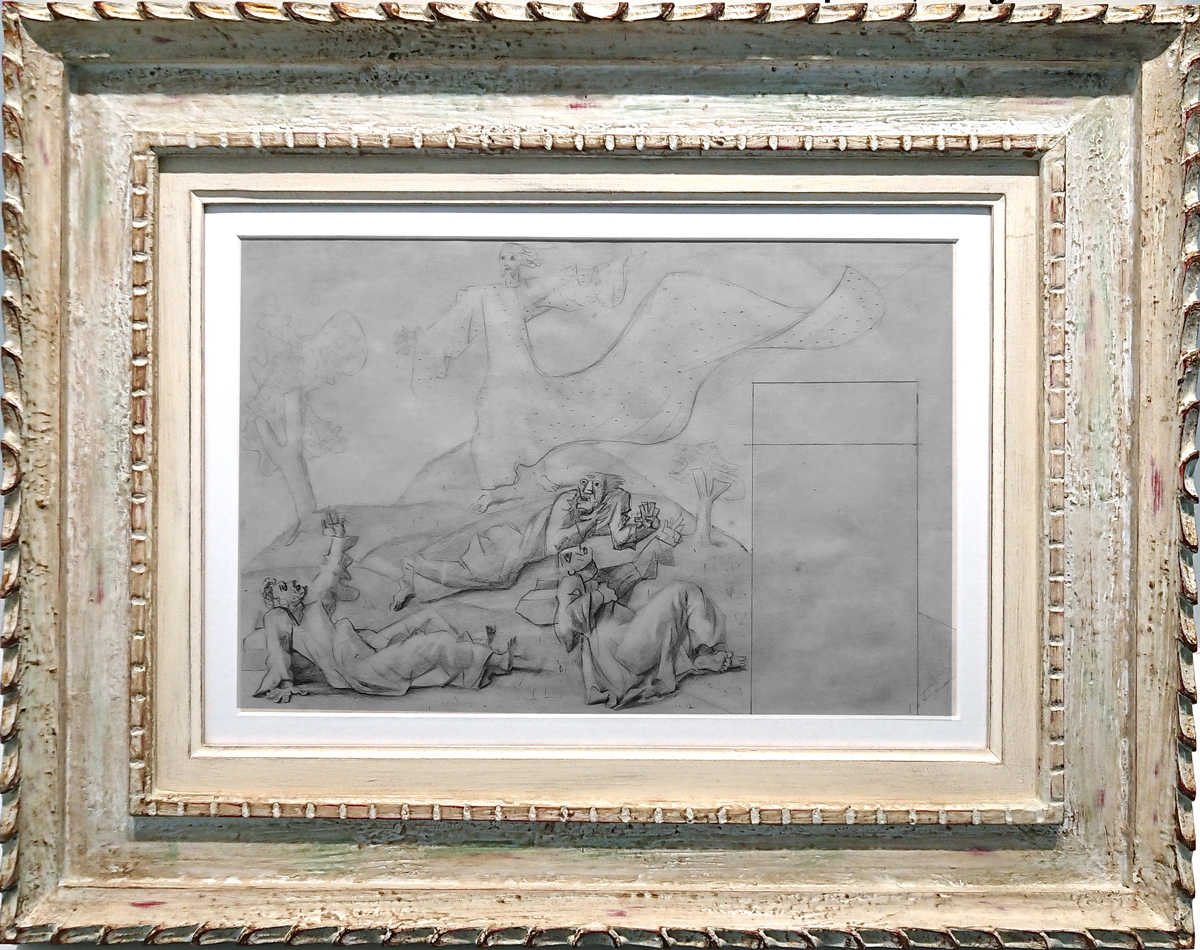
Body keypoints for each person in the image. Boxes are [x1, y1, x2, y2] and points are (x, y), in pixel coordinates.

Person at [409, 243, 885, 512]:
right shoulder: (480, 295)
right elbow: (452, 331)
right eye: (504, 259)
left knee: (534, 408)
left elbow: (584, 296)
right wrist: (428, 352)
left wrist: (609, 274)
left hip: (527, 379)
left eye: (516, 258)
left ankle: (503, 484)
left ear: (526, 263)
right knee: (495, 410)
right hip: (505, 378)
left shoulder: (529, 293)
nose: (509, 265)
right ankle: (496, 486)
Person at [253, 513, 517, 702]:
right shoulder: (279, 618)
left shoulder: (313, 603)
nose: (294, 585)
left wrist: (338, 538)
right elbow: (278, 651)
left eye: (290, 583)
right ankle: (495, 661)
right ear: (278, 601)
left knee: (428, 618)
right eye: (285, 587)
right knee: (432, 643)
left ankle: (472, 661)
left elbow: (330, 571)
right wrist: (285, 683)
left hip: (368, 649)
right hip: (360, 671)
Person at [388, 472, 682, 611]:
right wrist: (590, 522)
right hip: (513, 546)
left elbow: (620, 539)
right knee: (493, 577)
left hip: (522, 553)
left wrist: (646, 526)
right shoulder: (567, 501)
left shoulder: (611, 503)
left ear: (606, 489)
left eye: (595, 484)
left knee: (478, 579)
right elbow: (555, 542)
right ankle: (416, 567)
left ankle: (414, 580)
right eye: (585, 482)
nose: (588, 488)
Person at [553, 541, 745, 709]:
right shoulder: (570, 583)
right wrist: (600, 596)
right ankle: (705, 652)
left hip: (630, 643)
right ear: (568, 569)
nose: (580, 551)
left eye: (580, 547)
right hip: (623, 649)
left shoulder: (599, 577)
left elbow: (635, 569)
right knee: (682, 591)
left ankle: (701, 656)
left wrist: (662, 540)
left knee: (677, 613)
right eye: (569, 555)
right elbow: (566, 625)